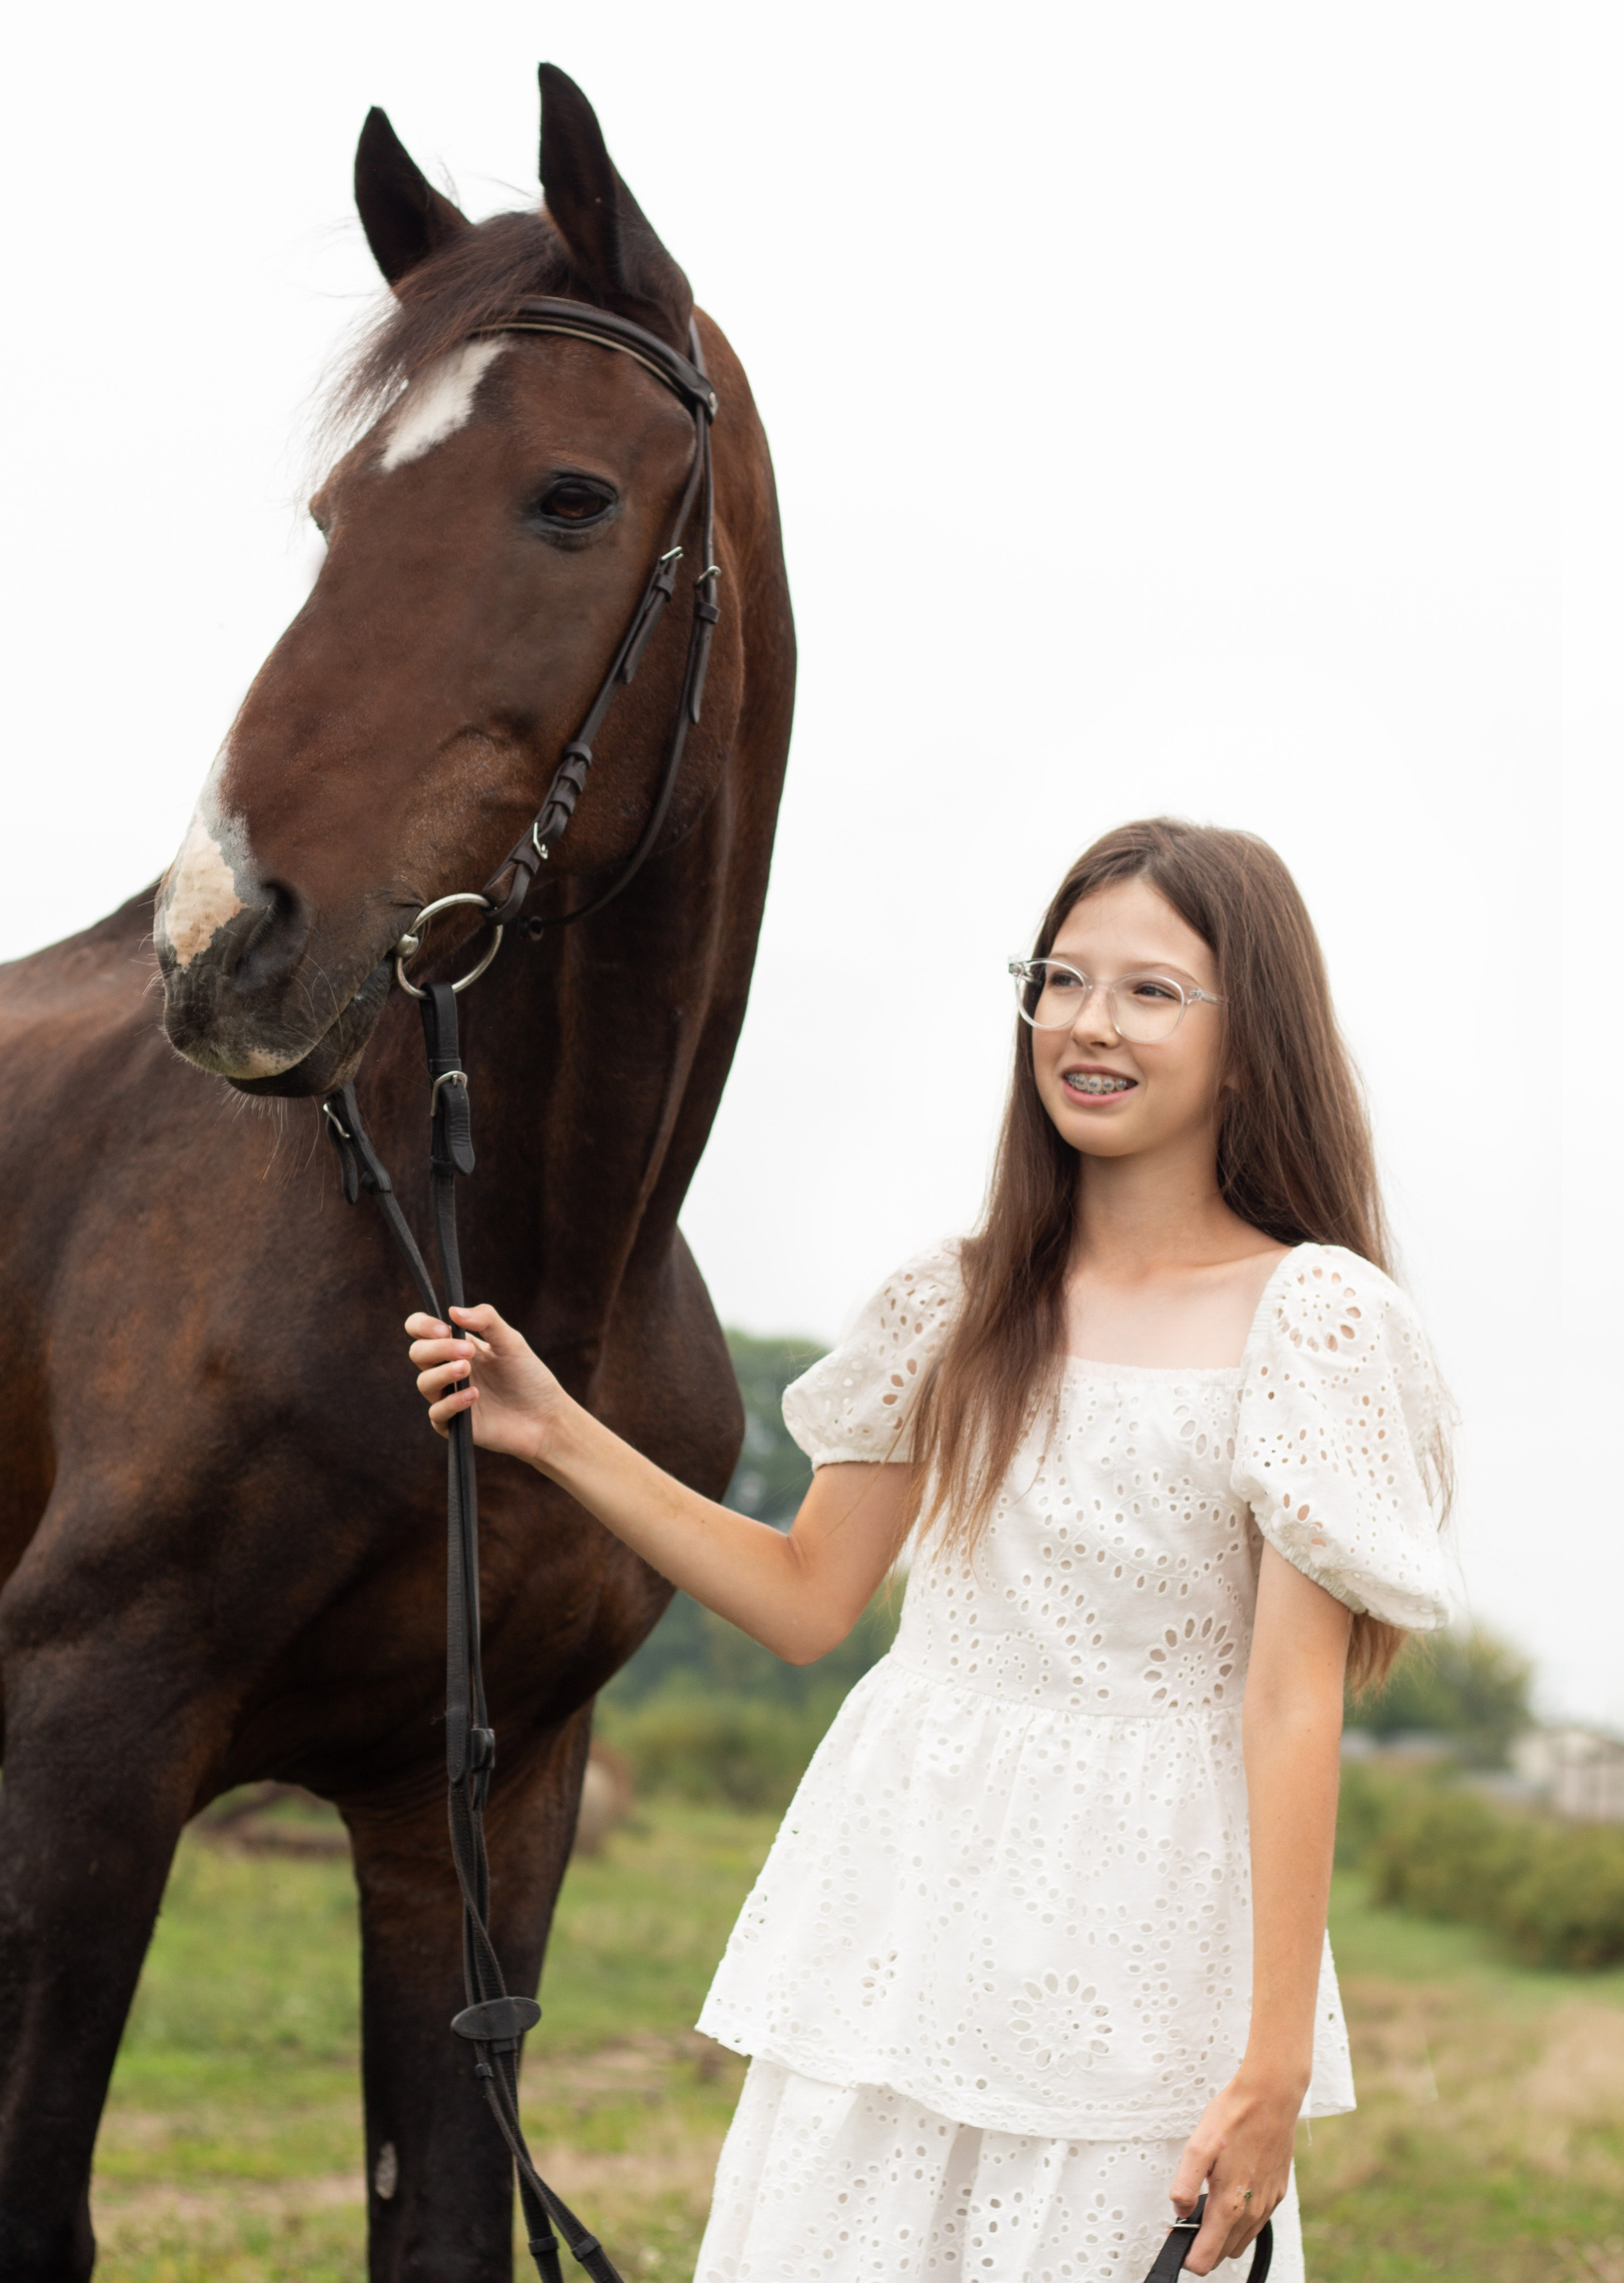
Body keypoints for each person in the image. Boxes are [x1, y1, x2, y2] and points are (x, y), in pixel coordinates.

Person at [404, 817, 1451, 2280]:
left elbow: (1288, 1707)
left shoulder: (1314, 1321)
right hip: (899, 1908)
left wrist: (1272, 2064)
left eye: (1150, 990)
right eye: (1062, 979)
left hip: (1143, 1943)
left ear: (1249, 1037)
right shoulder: (950, 1303)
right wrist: (555, 1430)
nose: (1088, 1023)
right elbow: (804, 1594)